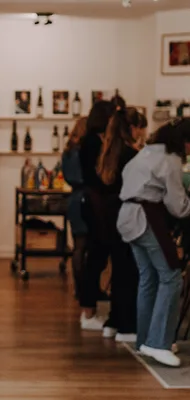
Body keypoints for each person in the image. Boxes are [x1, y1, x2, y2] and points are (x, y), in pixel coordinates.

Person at [118, 119, 190, 367]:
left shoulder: (146, 153)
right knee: (172, 277)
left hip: (127, 216)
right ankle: (158, 343)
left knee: (148, 278)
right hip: (146, 217)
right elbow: (178, 207)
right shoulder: (171, 160)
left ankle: (145, 340)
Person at [90, 107, 148, 341]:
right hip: (127, 217)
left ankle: (114, 321)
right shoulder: (131, 155)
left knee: (119, 268)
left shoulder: (108, 152)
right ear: (132, 128)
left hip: (109, 216)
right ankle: (126, 325)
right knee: (128, 271)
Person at [78, 100, 117, 330]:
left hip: (94, 204)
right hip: (97, 205)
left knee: (94, 257)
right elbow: (98, 178)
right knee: (95, 258)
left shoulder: (89, 141)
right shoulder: (94, 142)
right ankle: (88, 312)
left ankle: (89, 309)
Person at [62, 117, 90, 295]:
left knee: (78, 246)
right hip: (86, 198)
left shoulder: (68, 151)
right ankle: (85, 288)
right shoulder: (85, 151)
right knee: (87, 247)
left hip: (73, 199)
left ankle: (79, 288)